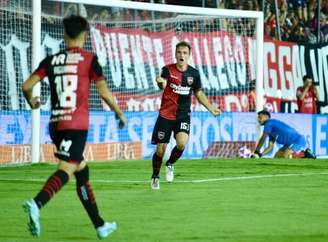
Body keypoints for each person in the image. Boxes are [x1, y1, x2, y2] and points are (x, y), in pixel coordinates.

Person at [22, 15, 126, 239]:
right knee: (66, 169)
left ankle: (99, 225)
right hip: (76, 126)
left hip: (56, 125)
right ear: (84, 35)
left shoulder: (51, 60)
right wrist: (118, 112)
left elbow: (27, 86)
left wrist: (32, 102)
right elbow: (104, 92)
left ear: (64, 35)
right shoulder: (89, 59)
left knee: (82, 170)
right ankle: (36, 203)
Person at [150, 41, 220, 190]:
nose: (182, 55)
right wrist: (160, 82)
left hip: (183, 115)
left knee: (181, 144)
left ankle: (170, 164)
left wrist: (211, 108)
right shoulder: (167, 70)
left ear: (189, 55)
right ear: (175, 54)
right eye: (179, 52)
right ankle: (155, 175)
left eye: (185, 53)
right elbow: (163, 83)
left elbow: (198, 93)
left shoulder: (193, 74)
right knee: (160, 149)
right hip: (165, 115)